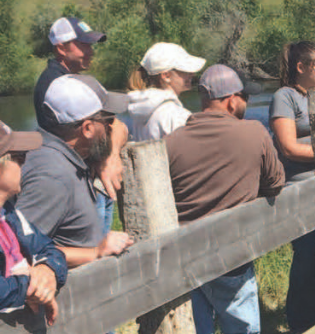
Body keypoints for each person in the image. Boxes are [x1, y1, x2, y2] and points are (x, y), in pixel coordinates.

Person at [165, 64, 285, 334]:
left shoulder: (171, 142)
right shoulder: (254, 132)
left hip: (183, 255)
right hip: (231, 252)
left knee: (195, 328)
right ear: (232, 100)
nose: (247, 103)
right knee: (242, 327)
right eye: (245, 97)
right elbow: (276, 182)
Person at [17, 75, 134, 268]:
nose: (111, 127)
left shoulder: (64, 155)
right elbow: (20, 251)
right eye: (108, 119)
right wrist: (95, 253)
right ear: (87, 129)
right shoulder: (52, 175)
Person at [33, 16, 126, 234]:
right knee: (93, 251)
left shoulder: (74, 81)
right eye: (83, 44)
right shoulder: (57, 87)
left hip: (91, 178)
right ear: (61, 48)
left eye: (91, 44)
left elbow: (118, 125)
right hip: (78, 186)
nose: (90, 50)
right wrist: (107, 158)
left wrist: (110, 158)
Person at [268, 41, 315, 332]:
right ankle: (301, 322)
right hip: (299, 189)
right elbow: (289, 148)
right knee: (308, 255)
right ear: (301, 67)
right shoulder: (285, 97)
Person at [0, 121, 68, 327]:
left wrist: (47, 271)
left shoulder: (9, 214)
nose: (24, 163)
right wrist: (29, 287)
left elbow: (48, 248)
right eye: (19, 157)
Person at [126, 42, 207, 141]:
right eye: (185, 71)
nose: (192, 74)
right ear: (166, 76)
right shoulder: (177, 116)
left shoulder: (136, 113)